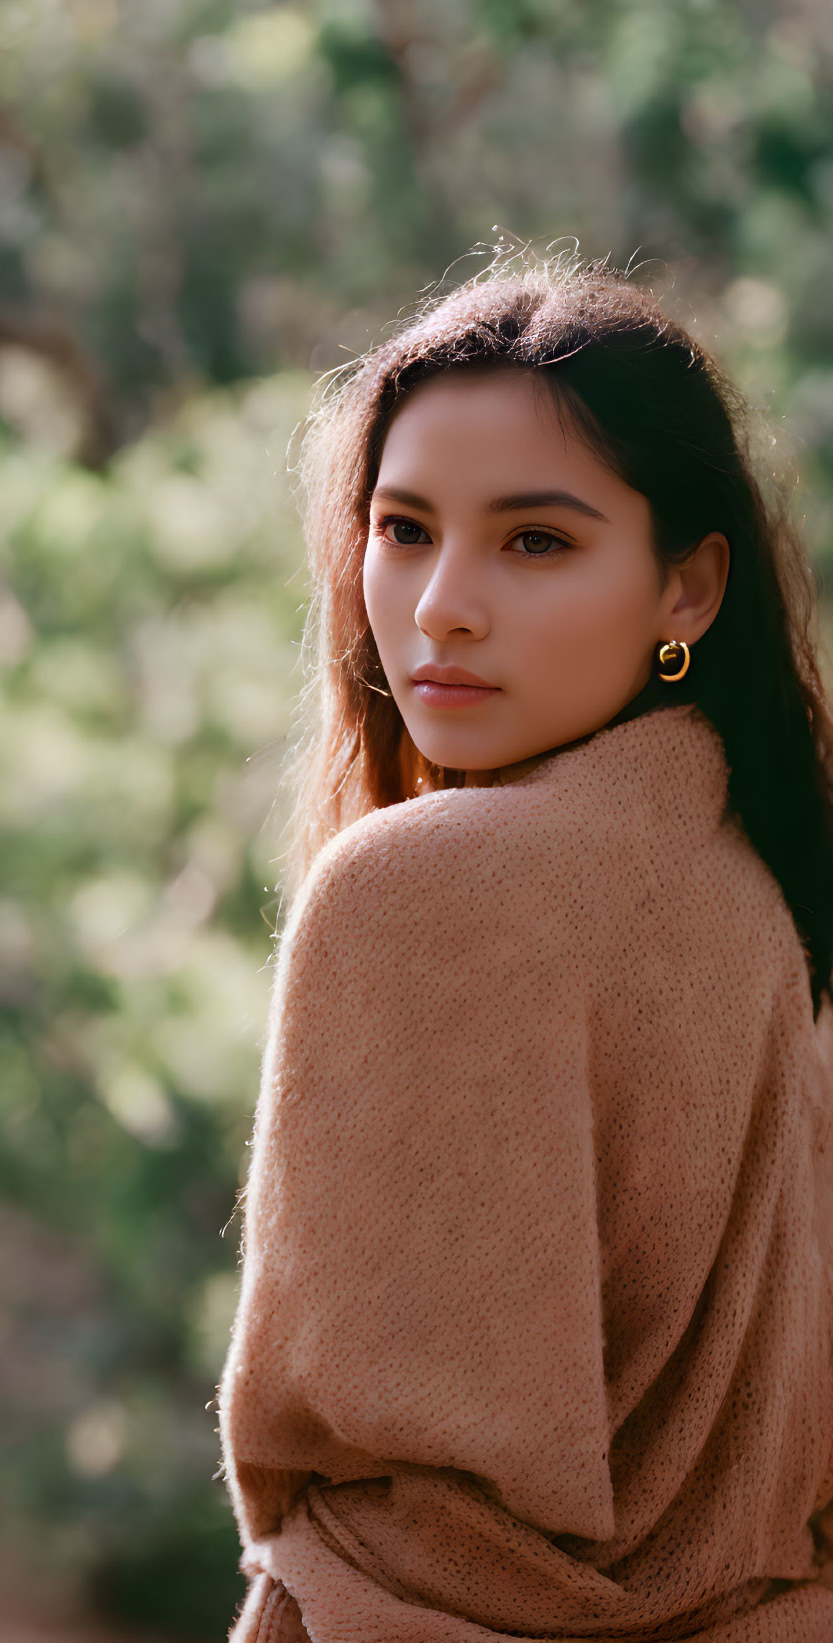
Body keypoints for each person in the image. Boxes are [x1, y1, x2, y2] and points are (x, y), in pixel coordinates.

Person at [214, 249, 833, 1643]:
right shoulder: (764, 898)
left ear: (685, 590)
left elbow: (421, 1532)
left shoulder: (423, 890)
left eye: (534, 541)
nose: (441, 605)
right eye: (404, 529)